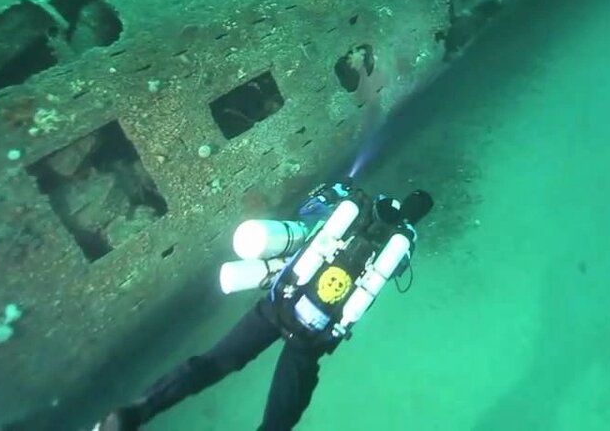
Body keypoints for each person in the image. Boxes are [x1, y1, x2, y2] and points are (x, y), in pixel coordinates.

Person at [94, 179, 434, 431]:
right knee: (281, 419)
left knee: (212, 363)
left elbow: (308, 210)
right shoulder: (402, 243)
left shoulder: (351, 205)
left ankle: (135, 412)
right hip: (311, 338)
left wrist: (337, 197)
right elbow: (393, 274)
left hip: (279, 304)